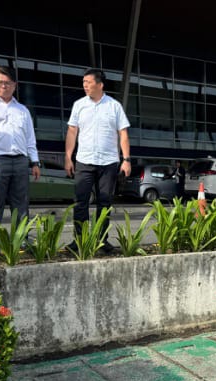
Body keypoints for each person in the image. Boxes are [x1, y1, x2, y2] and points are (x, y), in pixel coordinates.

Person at [0, 67, 41, 258]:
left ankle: (22, 239)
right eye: (0, 82)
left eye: (7, 83)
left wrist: (35, 162)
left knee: (21, 204)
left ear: (14, 86)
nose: (3, 86)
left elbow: (30, 139)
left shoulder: (22, 110)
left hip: (20, 161)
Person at [65, 69, 131, 253]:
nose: (84, 85)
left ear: (100, 84)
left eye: (88, 81)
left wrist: (126, 159)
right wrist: (67, 157)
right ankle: (80, 240)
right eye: (83, 81)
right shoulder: (79, 105)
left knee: (104, 202)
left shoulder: (114, 106)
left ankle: (102, 240)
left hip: (108, 163)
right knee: (80, 202)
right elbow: (72, 132)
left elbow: (123, 134)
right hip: (84, 161)